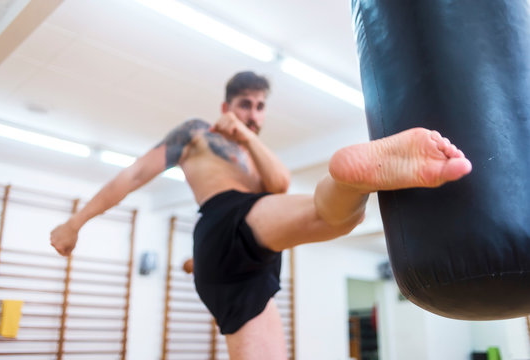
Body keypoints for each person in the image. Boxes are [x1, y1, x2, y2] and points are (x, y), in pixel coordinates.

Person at [50, 71, 472, 359]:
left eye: (259, 106)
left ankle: (352, 180)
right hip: (225, 219)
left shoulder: (254, 156)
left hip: (251, 259)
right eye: (244, 105)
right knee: (325, 217)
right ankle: (350, 179)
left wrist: (248, 140)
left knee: (340, 217)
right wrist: (76, 222)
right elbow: (134, 174)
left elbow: (280, 181)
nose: (253, 114)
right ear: (225, 105)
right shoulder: (196, 134)